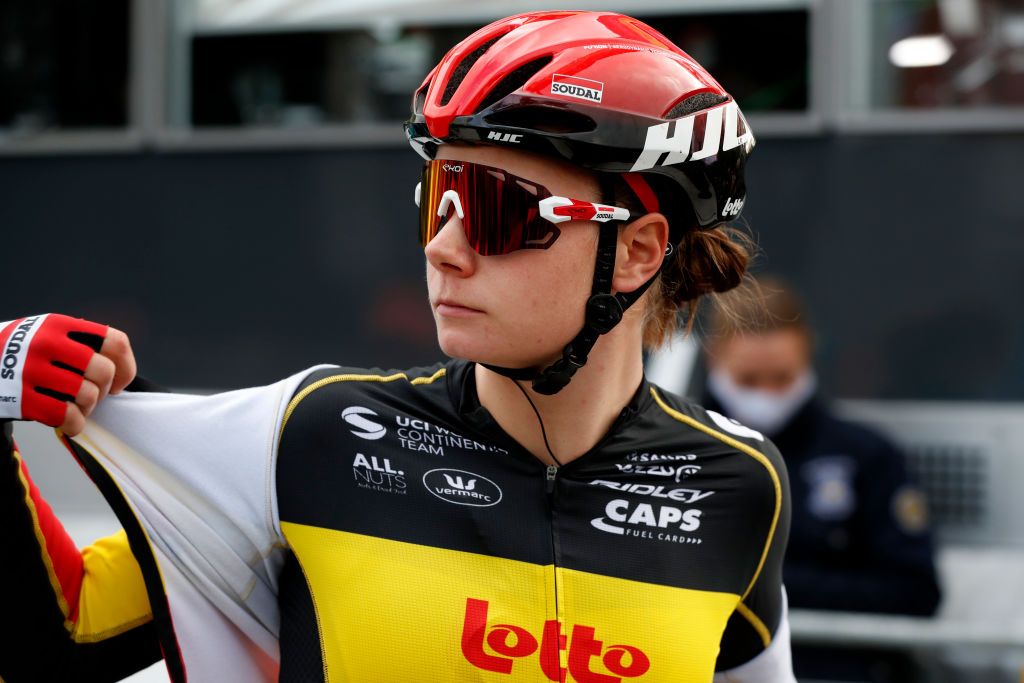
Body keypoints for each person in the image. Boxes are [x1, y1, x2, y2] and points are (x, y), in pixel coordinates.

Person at [1, 12, 794, 682]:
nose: (445, 248)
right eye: (438, 202)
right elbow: (60, 639)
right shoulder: (308, 434)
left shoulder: (740, 485)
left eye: (492, 209)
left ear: (638, 250)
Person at [702, 277, 941, 681]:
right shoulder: (680, 453)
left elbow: (915, 590)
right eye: (748, 380)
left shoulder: (866, 457)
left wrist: (761, 586)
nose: (765, 395)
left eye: (781, 378)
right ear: (713, 361)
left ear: (808, 356)